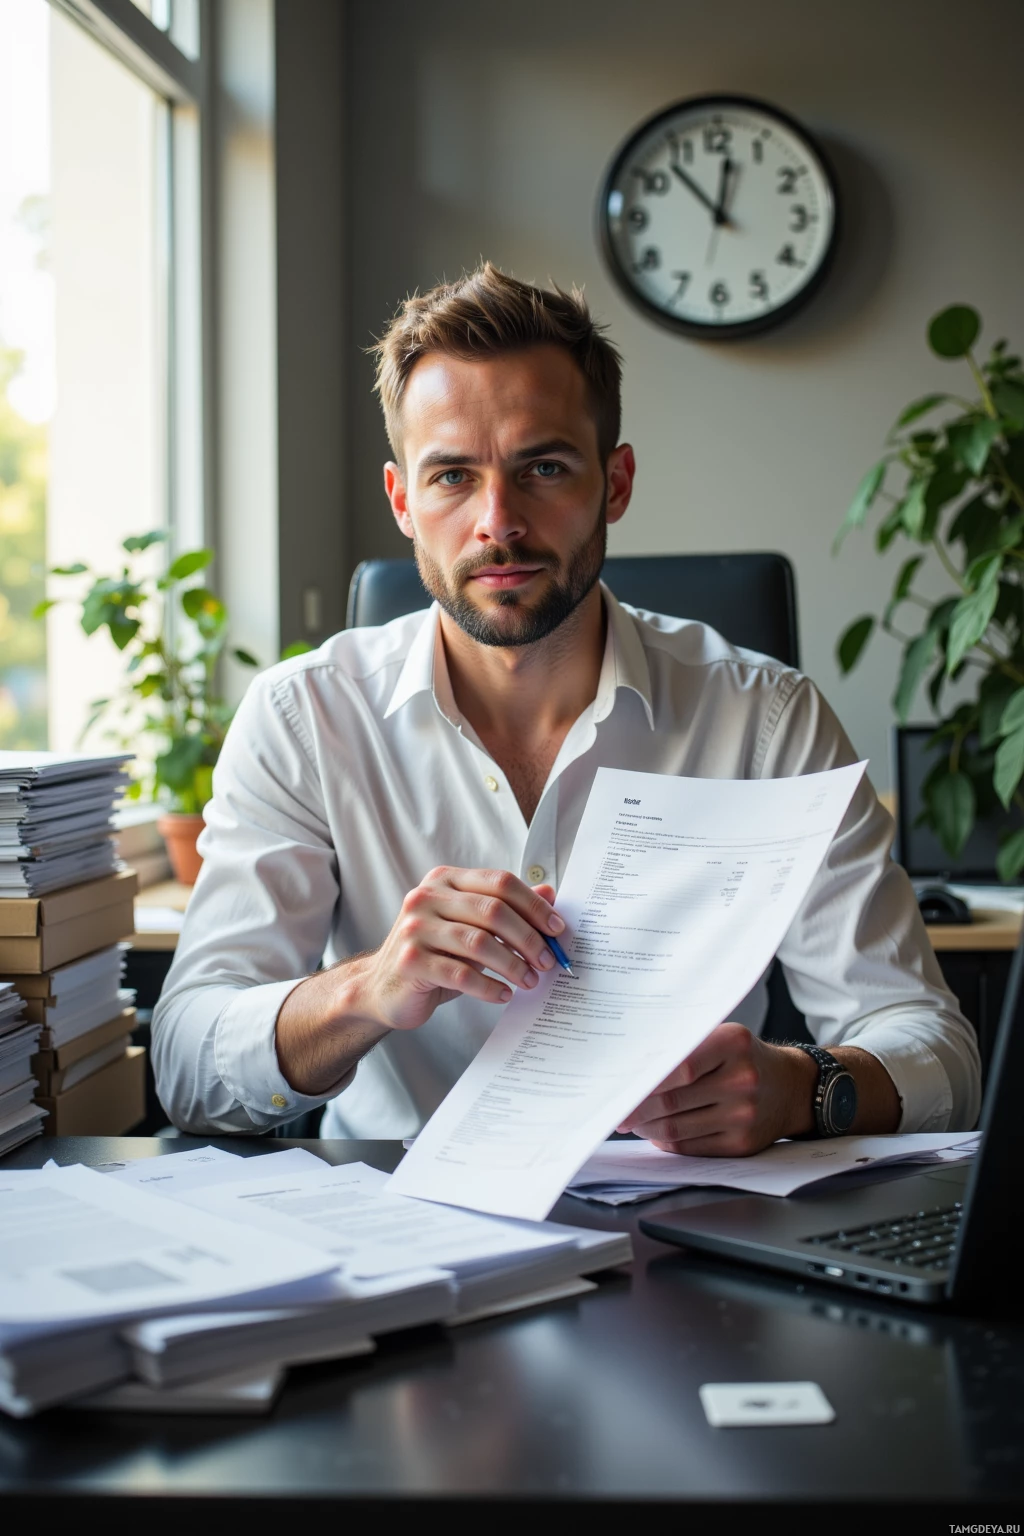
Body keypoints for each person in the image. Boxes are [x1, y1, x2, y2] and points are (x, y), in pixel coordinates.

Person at [151, 263, 980, 1150]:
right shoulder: (302, 718)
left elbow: (938, 1053)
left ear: (614, 483)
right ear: (402, 500)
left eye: (542, 467)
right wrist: (368, 988)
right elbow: (189, 1068)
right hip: (395, 1239)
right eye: (453, 477)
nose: (497, 521)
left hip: (691, 1236)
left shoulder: (768, 720)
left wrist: (803, 1089)